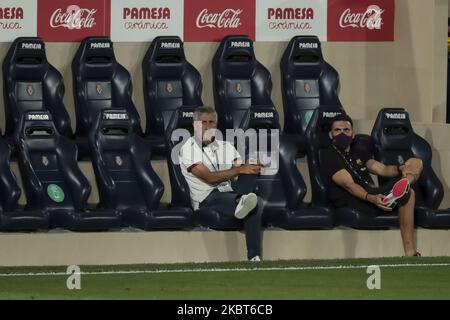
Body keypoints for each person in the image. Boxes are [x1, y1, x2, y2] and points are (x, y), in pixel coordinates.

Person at [320, 113, 423, 257]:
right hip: (352, 200)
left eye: (346, 130)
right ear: (331, 135)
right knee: (409, 193)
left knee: (415, 163)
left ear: (353, 134)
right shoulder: (328, 155)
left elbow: (382, 169)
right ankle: (400, 189)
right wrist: (371, 198)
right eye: (337, 130)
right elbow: (348, 184)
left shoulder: (359, 152)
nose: (342, 133)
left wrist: (401, 169)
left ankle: (405, 182)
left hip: (372, 193)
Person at [178, 106, 264, 261]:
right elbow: (209, 178)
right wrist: (239, 170)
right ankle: (242, 202)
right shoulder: (188, 148)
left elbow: (238, 166)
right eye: (203, 122)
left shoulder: (226, 146)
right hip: (206, 198)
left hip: (229, 192)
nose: (208, 126)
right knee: (257, 202)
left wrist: (252, 165)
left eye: (211, 122)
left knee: (252, 184)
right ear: (194, 125)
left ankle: (254, 256)